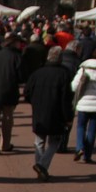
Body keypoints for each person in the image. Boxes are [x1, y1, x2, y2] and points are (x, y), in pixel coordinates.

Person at [24, 46, 73, 181]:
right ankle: (42, 165)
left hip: (39, 110)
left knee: (39, 140)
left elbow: (27, 92)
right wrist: (68, 117)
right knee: (55, 140)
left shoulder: (37, 73)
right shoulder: (64, 74)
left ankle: (40, 168)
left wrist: (34, 101)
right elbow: (66, 98)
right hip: (56, 112)